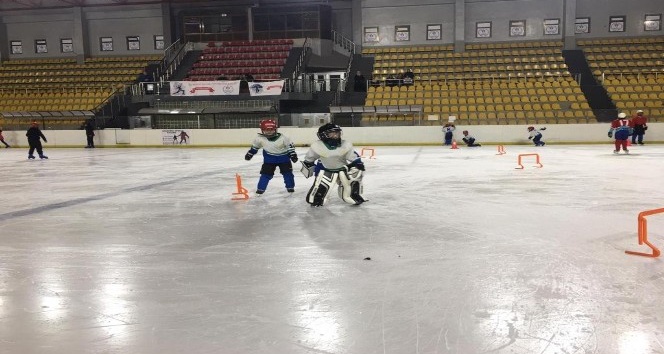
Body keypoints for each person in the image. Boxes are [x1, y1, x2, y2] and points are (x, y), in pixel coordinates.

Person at [301, 123, 366, 207]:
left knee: (354, 176)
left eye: (338, 133)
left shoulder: (345, 144)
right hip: (325, 169)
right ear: (323, 135)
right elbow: (310, 158)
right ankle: (317, 198)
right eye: (333, 133)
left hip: (342, 168)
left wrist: (358, 163)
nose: (336, 135)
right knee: (321, 185)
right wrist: (308, 163)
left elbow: (353, 156)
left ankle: (354, 195)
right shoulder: (317, 146)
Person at [244, 119, 298, 195]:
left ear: (275, 129)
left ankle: (290, 188)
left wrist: (293, 154)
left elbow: (290, 146)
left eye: (271, 130)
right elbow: (255, 147)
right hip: (269, 160)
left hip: (284, 159)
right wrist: (250, 153)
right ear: (262, 130)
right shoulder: (259, 138)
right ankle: (260, 190)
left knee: (288, 174)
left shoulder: (283, 138)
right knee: (265, 175)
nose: (269, 132)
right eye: (266, 130)